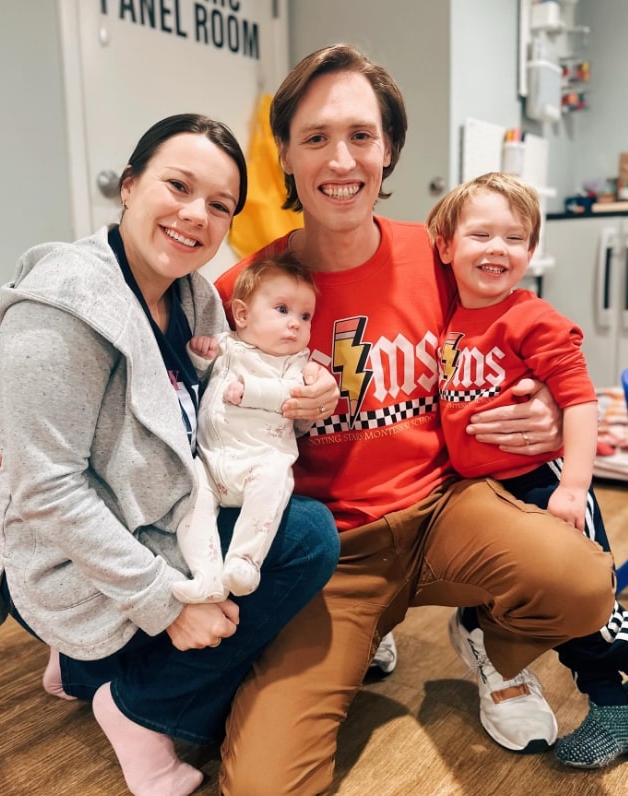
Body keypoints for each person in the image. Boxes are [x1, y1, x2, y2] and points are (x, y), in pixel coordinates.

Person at [210, 44, 616, 795]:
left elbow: (524, 336)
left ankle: (491, 643)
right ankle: (371, 636)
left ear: (389, 148)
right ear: (285, 157)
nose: (342, 158)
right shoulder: (244, 287)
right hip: (328, 553)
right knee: (264, 785)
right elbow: (167, 373)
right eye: (317, 137)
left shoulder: (438, 256)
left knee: (583, 583)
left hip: (444, 513)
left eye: (362, 135)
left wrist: (554, 408)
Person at [0, 113, 340, 796]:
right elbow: (46, 489)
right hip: (77, 560)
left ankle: (80, 666)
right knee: (303, 541)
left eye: (218, 205)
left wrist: (314, 381)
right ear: (128, 186)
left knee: (282, 529)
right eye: (178, 186)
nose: (194, 215)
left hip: (153, 519)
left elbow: (240, 376)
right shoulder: (63, 305)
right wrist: (168, 605)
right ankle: (136, 711)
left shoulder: (196, 299)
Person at [427, 171, 628, 768]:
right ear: (446, 247)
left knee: (585, 602)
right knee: (518, 584)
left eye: (515, 238)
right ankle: (481, 626)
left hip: (544, 482)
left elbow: (580, 399)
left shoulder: (531, 318)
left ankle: (612, 699)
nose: (497, 249)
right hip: (483, 491)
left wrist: (573, 487)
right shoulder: (448, 321)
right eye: (481, 234)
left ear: (531, 251)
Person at [173, 251, 317, 603]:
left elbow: (295, 399)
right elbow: (196, 383)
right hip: (210, 463)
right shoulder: (226, 346)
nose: (295, 323)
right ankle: (206, 576)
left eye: (305, 315)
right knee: (190, 506)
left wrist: (252, 392)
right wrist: (200, 357)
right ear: (241, 314)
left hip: (259, 462)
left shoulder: (297, 364)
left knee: (273, 486)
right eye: (282, 310)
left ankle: (244, 560)